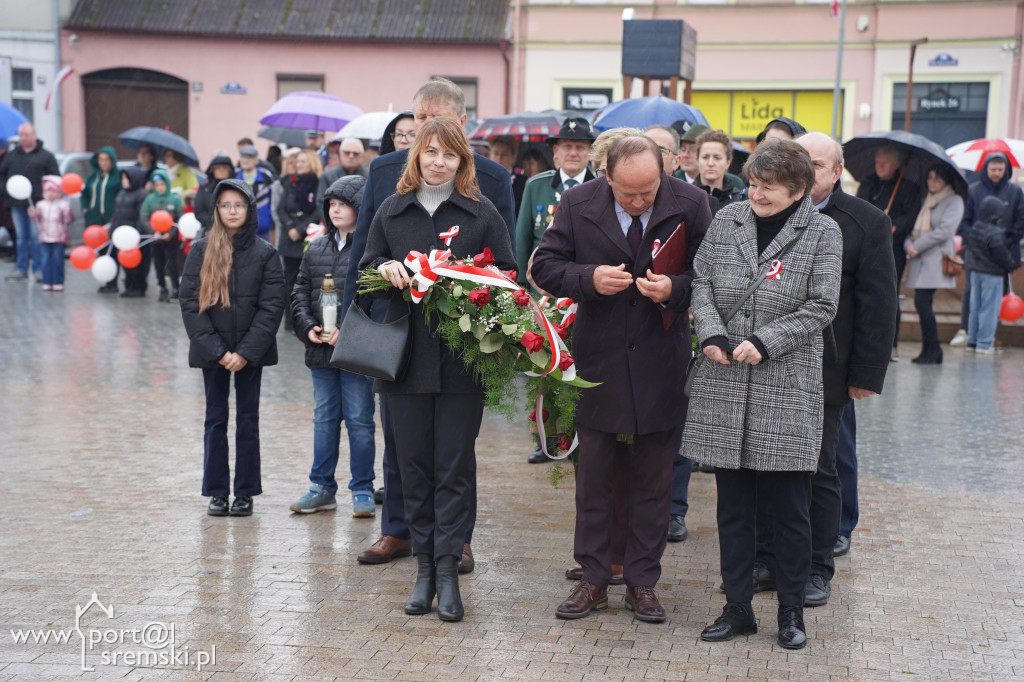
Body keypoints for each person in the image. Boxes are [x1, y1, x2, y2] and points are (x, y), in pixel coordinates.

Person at [532, 132, 711, 624]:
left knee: (655, 479)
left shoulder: (693, 203)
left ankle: (642, 582)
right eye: (627, 192)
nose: (638, 201)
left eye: (648, 191)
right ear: (605, 175)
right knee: (593, 478)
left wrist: (674, 288)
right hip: (600, 358)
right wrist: (588, 279)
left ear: (664, 172)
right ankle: (593, 577)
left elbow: (712, 275)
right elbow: (545, 266)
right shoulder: (576, 202)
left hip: (660, 358)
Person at [344, 77, 516, 570]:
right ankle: (397, 530)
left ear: (463, 124)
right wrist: (366, 311)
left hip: (462, 339)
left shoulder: (491, 179)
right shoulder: (383, 173)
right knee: (401, 440)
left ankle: (456, 539)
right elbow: (365, 252)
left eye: (439, 120)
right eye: (419, 120)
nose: (427, 133)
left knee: (455, 449)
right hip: (400, 331)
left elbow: (503, 261)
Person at [684, 139, 842, 649]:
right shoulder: (728, 219)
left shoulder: (823, 232)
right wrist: (710, 333)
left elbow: (821, 306)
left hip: (786, 387)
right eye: (752, 183)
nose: (756, 194)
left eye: (768, 187)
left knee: (789, 509)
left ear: (799, 189)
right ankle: (737, 608)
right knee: (732, 508)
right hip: (725, 380)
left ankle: (791, 612)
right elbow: (701, 282)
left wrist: (765, 342)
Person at [755, 132, 897, 609]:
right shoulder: (760, 212)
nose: (808, 171)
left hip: (827, 372)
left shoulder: (866, 222)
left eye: (817, 164)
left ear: (837, 172)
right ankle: (768, 559)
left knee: (817, 471)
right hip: (763, 363)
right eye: (800, 161)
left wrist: (865, 373)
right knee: (763, 465)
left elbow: (878, 305)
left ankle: (816, 567)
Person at [179, 179, 286, 518]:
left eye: (238, 205)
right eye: (225, 205)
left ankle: (245, 492)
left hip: (249, 354)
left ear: (249, 208)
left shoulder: (265, 253)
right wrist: (218, 351)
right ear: (216, 210)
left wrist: (245, 352)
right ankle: (217, 491)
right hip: (214, 353)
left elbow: (272, 307)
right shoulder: (200, 250)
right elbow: (189, 303)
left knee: (247, 421)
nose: (232, 211)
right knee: (215, 420)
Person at [290, 175, 377, 517]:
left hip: (355, 353)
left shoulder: (370, 248)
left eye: (343, 204)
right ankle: (322, 486)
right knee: (324, 418)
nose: (336, 210)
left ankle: (362, 489)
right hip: (321, 351)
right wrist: (306, 325)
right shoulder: (317, 246)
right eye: (332, 205)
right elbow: (298, 291)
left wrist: (348, 329)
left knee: (359, 420)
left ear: (359, 208)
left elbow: (373, 297)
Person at [516, 117, 596, 462]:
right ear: (556, 152)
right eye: (567, 147)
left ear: (590, 152)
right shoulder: (537, 186)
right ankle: (545, 439)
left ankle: (581, 434)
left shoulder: (602, 185)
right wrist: (521, 288)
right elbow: (523, 239)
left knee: (582, 366)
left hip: (583, 293)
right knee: (544, 369)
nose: (574, 153)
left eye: (580, 147)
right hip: (542, 296)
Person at [950, 153, 1024, 346]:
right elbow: (963, 223)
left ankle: (989, 335)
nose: (997, 173)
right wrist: (981, 242)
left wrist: (1003, 240)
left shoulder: (1015, 192)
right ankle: (967, 331)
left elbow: (1021, 222)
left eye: (1001, 170)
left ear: (1006, 171)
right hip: (977, 255)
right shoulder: (973, 191)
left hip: (1003, 253)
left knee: (998, 296)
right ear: (986, 170)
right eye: (993, 169)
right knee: (971, 296)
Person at [855, 146, 922, 358]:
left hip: (892, 250)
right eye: (878, 162)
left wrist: (893, 225)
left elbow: (911, 217)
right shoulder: (869, 182)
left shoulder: (909, 187)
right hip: (865, 246)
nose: (880, 166)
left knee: (888, 295)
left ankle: (890, 344)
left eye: (885, 163)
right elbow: (859, 207)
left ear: (896, 165)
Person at [903, 164, 965, 364]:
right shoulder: (925, 200)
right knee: (923, 304)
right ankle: (930, 350)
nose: (932, 181)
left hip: (935, 260)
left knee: (922, 302)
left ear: (946, 180)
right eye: (930, 177)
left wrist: (917, 246)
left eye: (937, 178)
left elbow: (945, 231)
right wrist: (908, 245)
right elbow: (912, 228)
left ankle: (933, 349)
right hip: (919, 259)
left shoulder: (954, 201)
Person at [0, 123, 59, 281]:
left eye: (26, 135)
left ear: (34, 135)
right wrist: (5, 191)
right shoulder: (12, 156)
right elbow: (3, 176)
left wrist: (47, 194)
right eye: (21, 135)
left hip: (37, 204)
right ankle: (21, 268)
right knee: (20, 237)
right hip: (16, 203)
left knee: (35, 237)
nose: (23, 138)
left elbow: (54, 178)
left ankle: (39, 269)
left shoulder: (46, 156)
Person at [277, 149, 323, 328]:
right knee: (289, 281)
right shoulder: (290, 182)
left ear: (312, 163)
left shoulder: (318, 183)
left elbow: (318, 210)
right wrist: (290, 227)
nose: (298, 165)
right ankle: (290, 320)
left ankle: (306, 318)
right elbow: (281, 208)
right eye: (298, 162)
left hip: (308, 236)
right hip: (289, 238)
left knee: (307, 281)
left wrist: (301, 229)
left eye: (303, 161)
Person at [965, 196, 1017, 353]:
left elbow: (981, 245)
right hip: (992, 274)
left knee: (975, 307)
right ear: (995, 214)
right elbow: (999, 253)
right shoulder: (994, 233)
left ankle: (972, 341)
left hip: (976, 272)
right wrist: (1011, 264)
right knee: (989, 309)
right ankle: (985, 343)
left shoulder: (976, 227)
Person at [141, 169, 184, 302]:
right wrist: (153, 231)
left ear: (167, 184)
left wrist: (170, 234)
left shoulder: (174, 199)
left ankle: (176, 288)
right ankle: (162, 288)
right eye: (157, 184)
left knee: (172, 264)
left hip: (170, 240)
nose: (160, 187)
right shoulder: (149, 200)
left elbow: (179, 219)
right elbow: (144, 217)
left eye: (162, 184)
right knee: (158, 264)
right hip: (155, 239)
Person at [110, 167, 150, 297]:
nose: (124, 181)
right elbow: (117, 214)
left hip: (135, 236)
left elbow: (142, 215)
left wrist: (137, 231)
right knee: (125, 262)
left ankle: (139, 287)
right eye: (122, 178)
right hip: (122, 236)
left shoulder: (142, 194)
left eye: (126, 178)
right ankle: (129, 286)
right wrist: (113, 229)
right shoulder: (122, 194)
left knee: (139, 263)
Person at [30, 175, 72, 292]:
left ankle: (58, 281)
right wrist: (32, 214)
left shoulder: (63, 204)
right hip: (44, 237)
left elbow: (68, 220)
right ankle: (47, 281)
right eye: (48, 191)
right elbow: (36, 219)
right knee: (45, 259)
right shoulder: (41, 205)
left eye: (53, 191)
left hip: (59, 237)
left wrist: (67, 212)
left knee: (58, 260)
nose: (51, 193)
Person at [314, 137, 367, 224]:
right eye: (347, 153)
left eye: (355, 153)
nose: (351, 156)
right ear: (340, 153)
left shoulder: (370, 175)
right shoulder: (327, 176)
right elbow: (321, 204)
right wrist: (332, 228)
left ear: (362, 155)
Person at [694, 129, 745, 211]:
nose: (710, 163)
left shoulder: (740, 200)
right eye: (705, 157)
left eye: (717, 158)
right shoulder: (686, 196)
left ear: (728, 162)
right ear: (697, 160)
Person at [237, 145, 275, 242]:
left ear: (256, 160)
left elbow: (274, 199)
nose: (245, 160)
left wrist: (271, 220)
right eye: (243, 157)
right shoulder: (234, 177)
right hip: (240, 229)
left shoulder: (266, 175)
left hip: (263, 228)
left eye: (249, 157)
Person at [193, 156, 234, 236]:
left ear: (229, 171)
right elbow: (199, 212)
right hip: (210, 231)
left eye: (224, 168)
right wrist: (216, 223)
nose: (221, 171)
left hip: (232, 231)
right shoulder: (204, 189)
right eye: (218, 168)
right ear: (213, 171)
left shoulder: (236, 190)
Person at [81, 146, 120, 228]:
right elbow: (85, 194)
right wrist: (84, 208)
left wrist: (116, 215)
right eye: (101, 159)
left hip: (110, 218)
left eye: (106, 159)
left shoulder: (118, 176)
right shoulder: (93, 177)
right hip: (92, 217)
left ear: (112, 161)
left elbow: (121, 198)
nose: (103, 163)